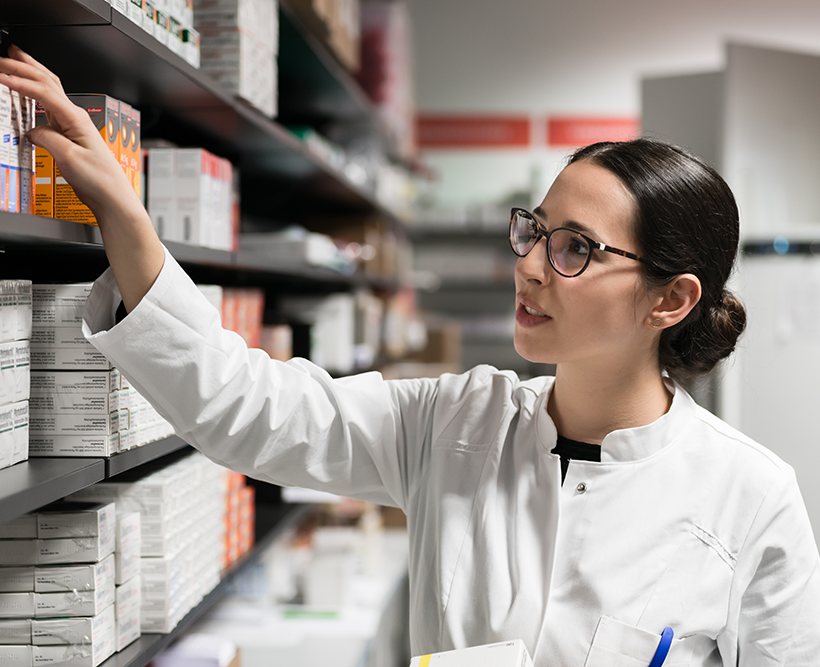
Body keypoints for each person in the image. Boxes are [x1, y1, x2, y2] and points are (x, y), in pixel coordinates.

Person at [2, 46, 819, 667]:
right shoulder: (456, 421)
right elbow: (243, 404)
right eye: (534, 229)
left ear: (669, 299)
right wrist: (120, 204)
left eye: (574, 249)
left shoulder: (752, 498)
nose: (530, 264)